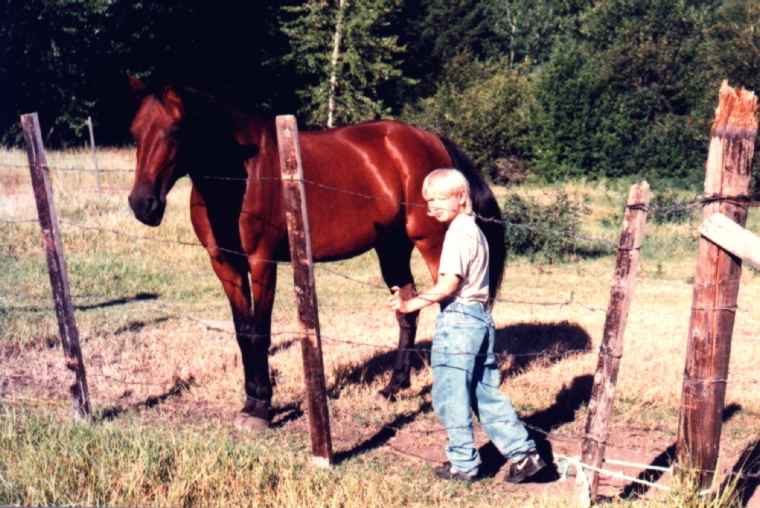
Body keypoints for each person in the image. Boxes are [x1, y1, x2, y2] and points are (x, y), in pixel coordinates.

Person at [389, 168, 545, 483]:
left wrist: (410, 304)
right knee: (484, 393)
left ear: (461, 197)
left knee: (450, 395)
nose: (431, 208)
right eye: (428, 201)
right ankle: (524, 455)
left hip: (459, 321)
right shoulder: (474, 230)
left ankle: (463, 464)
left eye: (439, 199)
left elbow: (449, 284)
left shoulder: (458, 234)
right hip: (479, 319)